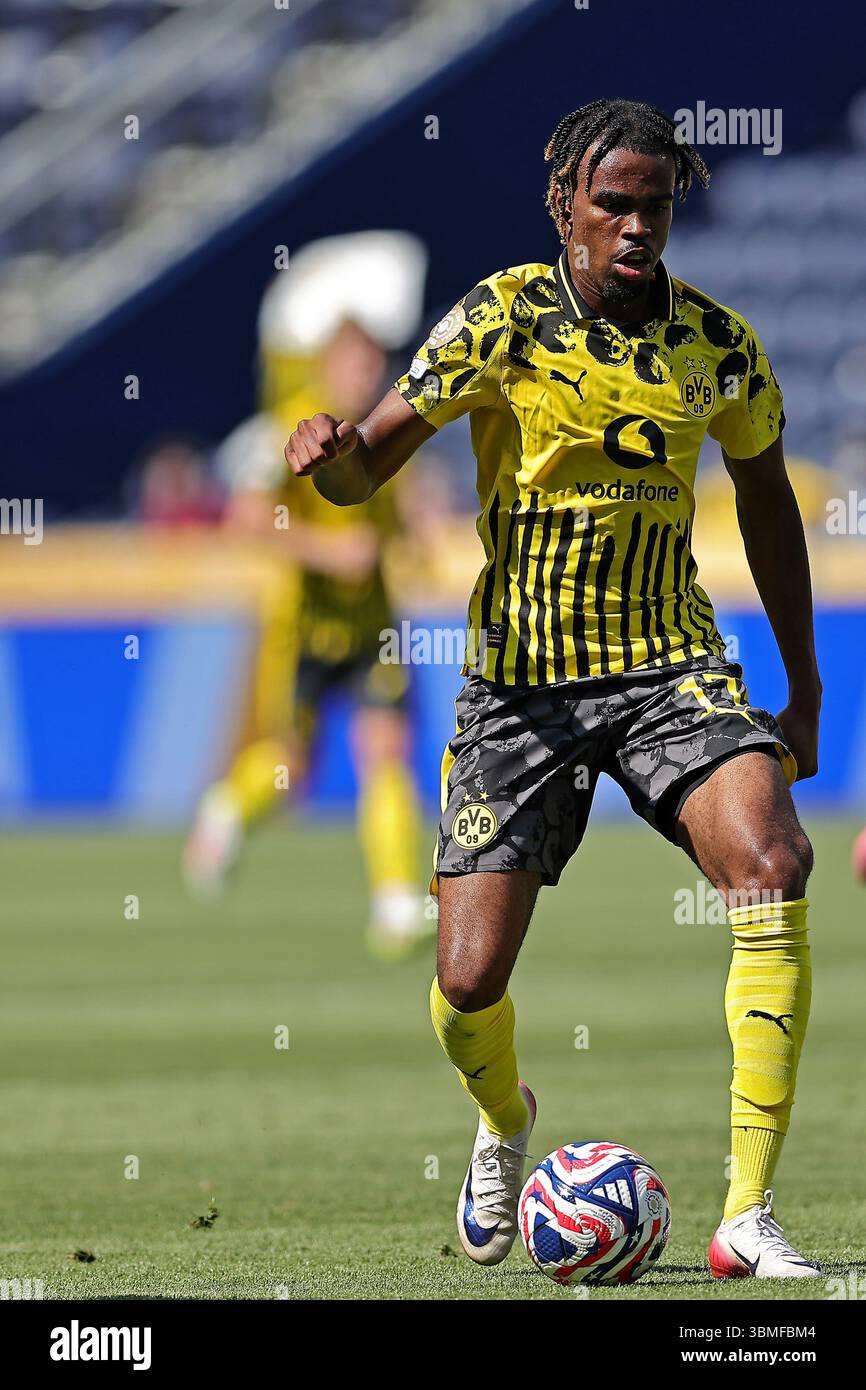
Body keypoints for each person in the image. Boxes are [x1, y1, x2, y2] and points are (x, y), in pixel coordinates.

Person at [283, 101, 822, 1277]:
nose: (635, 226)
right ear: (564, 209)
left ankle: (745, 1214)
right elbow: (367, 462)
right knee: (465, 977)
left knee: (770, 862)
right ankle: (501, 1122)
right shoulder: (499, 318)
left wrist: (802, 687)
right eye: (611, 204)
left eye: (655, 204)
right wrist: (331, 459)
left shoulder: (718, 348)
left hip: (666, 665)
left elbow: (770, 508)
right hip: (519, 683)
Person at [185, 232, 433, 959]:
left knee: (386, 750)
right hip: (306, 626)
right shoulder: (291, 423)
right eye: (359, 359)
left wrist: (409, 536)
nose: (371, 370)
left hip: (374, 623)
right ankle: (229, 807)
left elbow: (391, 509)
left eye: (378, 360)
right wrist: (328, 548)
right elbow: (243, 518)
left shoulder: (385, 422)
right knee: (292, 767)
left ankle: (394, 902)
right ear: (330, 360)